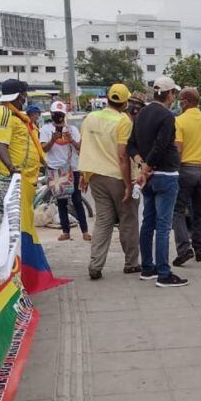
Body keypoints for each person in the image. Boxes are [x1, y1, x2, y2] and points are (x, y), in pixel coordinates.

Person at [129, 76, 188, 288]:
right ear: (169, 94)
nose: (173, 98)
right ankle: (164, 273)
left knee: (148, 222)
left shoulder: (141, 113)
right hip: (165, 175)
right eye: (173, 94)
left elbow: (131, 145)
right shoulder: (166, 115)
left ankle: (147, 267)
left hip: (149, 178)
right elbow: (162, 144)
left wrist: (141, 165)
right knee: (163, 226)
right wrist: (147, 166)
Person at [79, 84, 138, 278]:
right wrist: (129, 185)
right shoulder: (123, 121)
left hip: (95, 176)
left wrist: (83, 175)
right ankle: (131, 263)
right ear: (124, 102)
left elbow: (84, 147)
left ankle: (95, 265)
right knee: (127, 220)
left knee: (103, 221)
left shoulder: (90, 118)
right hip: (117, 177)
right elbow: (122, 156)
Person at [172, 88, 201, 266]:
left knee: (177, 211)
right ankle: (200, 249)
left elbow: (177, 149)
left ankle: (184, 249)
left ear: (185, 101)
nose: (179, 103)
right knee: (200, 212)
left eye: (180, 100)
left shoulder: (179, 121)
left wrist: (174, 172)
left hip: (185, 170)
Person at [0, 79, 46, 223]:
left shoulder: (17, 115)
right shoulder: (4, 113)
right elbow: (1, 145)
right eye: (24, 94)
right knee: (14, 222)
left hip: (24, 178)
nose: (25, 98)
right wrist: (11, 168)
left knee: (23, 222)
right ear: (18, 96)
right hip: (13, 178)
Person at [40, 101, 90, 242]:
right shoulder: (46, 129)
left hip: (72, 169)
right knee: (61, 202)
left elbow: (80, 147)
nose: (58, 117)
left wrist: (71, 140)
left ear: (64, 115)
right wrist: (52, 139)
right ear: (51, 114)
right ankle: (65, 231)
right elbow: (44, 149)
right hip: (55, 170)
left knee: (77, 200)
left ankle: (84, 231)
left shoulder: (72, 129)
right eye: (56, 114)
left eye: (61, 114)